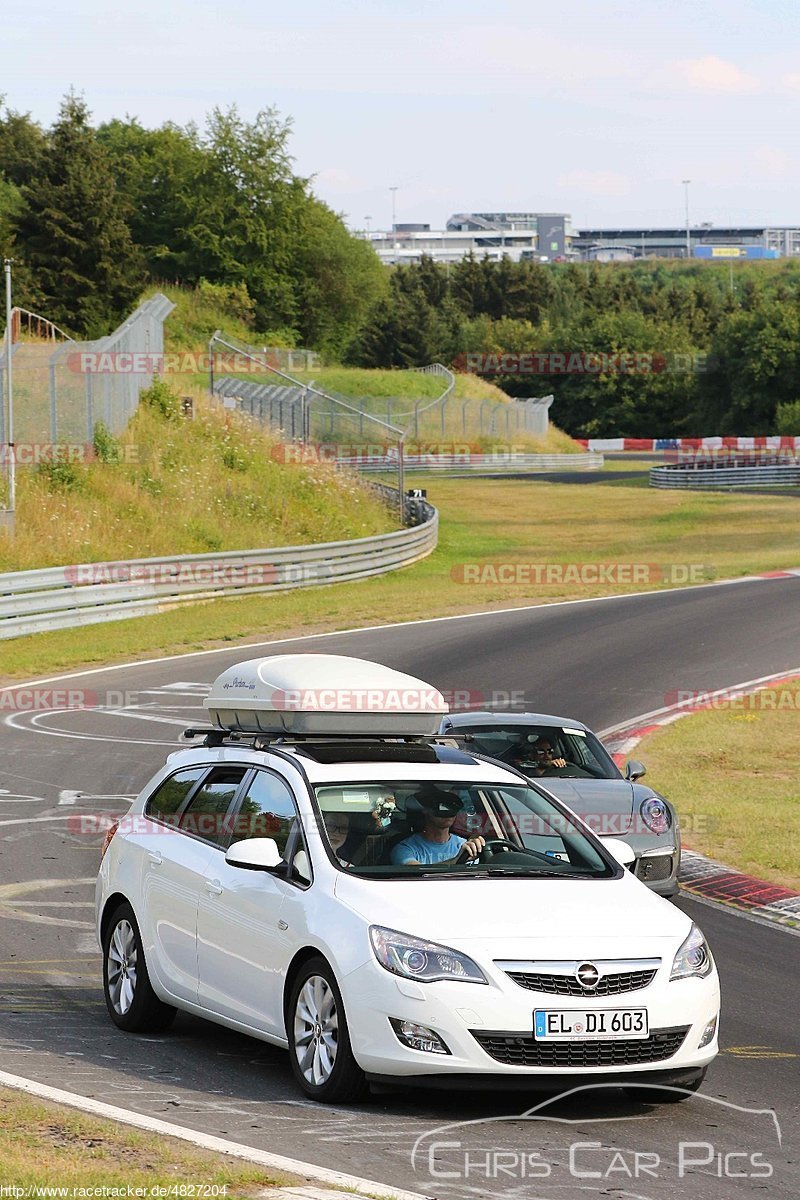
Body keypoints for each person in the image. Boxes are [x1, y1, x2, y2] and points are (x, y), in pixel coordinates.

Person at [391, 788, 485, 866]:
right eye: (442, 807)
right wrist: (457, 860)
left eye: (452, 807)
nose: (448, 811)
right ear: (426, 810)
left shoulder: (466, 846)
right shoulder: (404, 848)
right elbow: (417, 873)